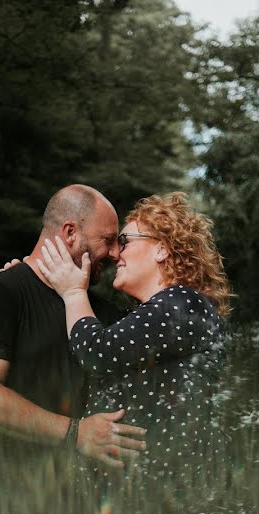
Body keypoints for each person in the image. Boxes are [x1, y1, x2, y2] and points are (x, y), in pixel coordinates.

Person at [36, 191, 232, 477]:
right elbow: (81, 335)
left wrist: (73, 291)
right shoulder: (155, 315)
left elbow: (95, 352)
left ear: (161, 249)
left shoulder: (182, 303)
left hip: (163, 496)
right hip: (134, 495)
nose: (116, 254)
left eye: (125, 241)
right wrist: (34, 290)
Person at [0, 184, 146, 466]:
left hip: (85, 495)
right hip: (10, 493)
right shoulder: (0, 294)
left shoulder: (101, 311)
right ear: (70, 232)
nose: (115, 253)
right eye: (107, 240)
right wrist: (76, 433)